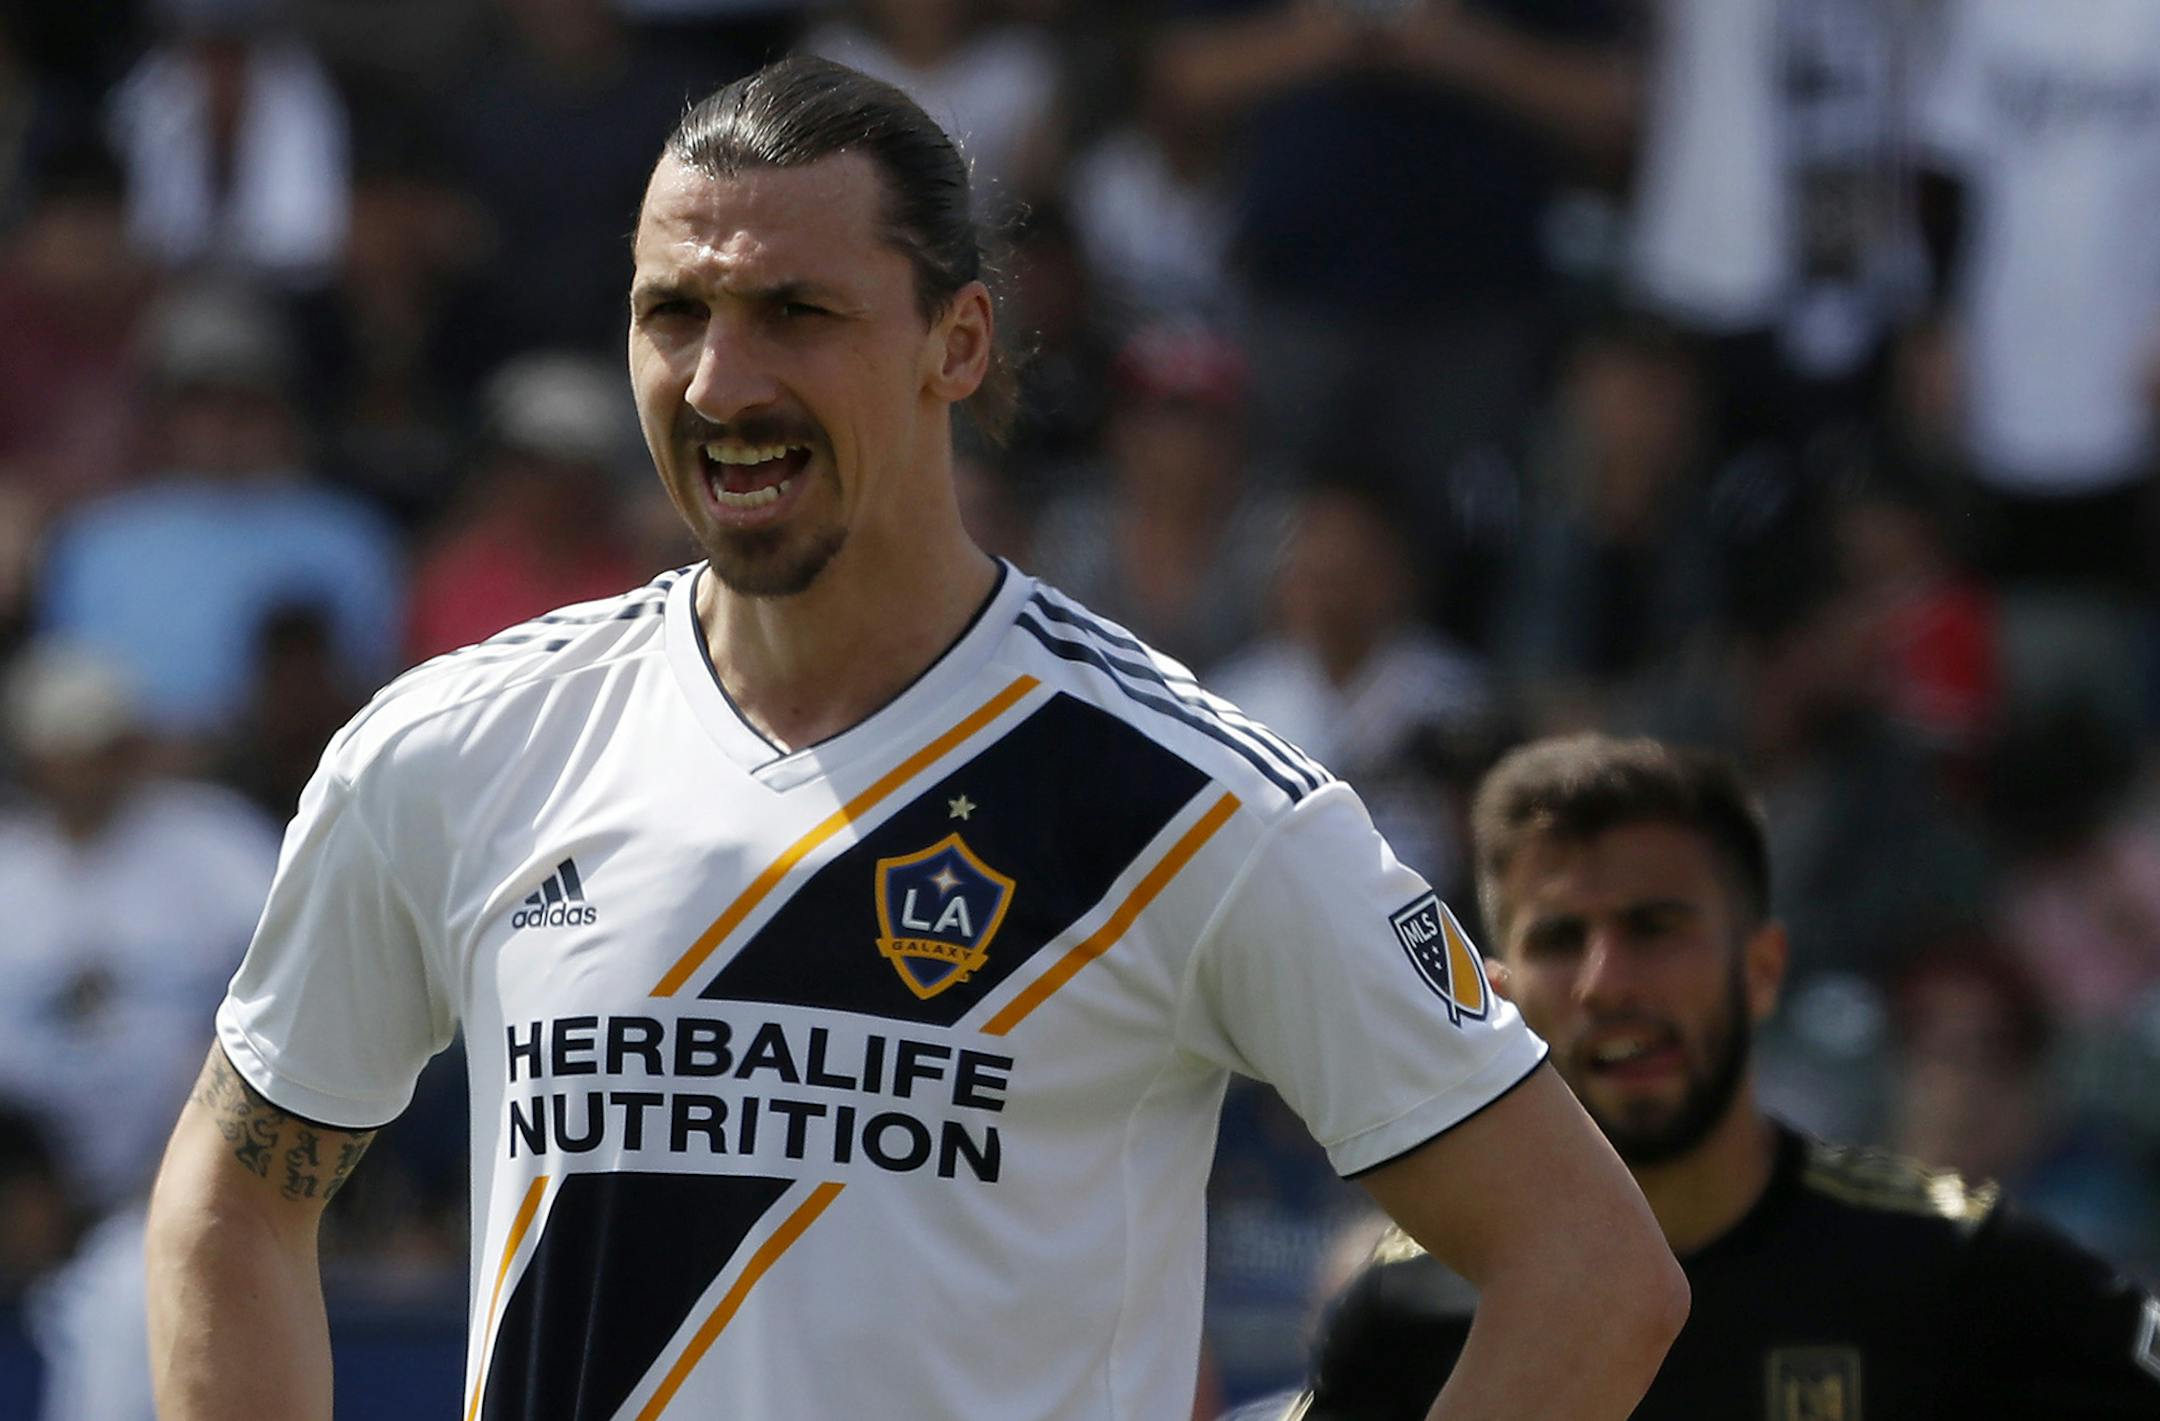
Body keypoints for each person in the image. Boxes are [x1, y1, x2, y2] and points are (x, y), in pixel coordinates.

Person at [143, 56, 1685, 1421]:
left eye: (796, 314)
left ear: (956, 345)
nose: (721, 382)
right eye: (672, 312)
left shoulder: (1188, 800)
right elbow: (229, 1202)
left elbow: (1594, 1275)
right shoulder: (457, 748)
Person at [1300, 734, 2160, 1419]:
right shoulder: (1403, 1302)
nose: (1608, 982)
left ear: (1760, 969)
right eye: (1561, 939)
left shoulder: (1948, 1261)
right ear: (1502, 995)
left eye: (1656, 927)